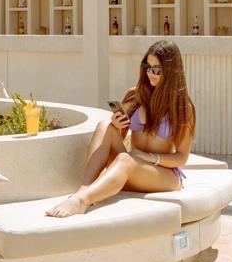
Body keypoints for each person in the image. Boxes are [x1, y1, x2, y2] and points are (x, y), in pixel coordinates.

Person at [46, 40, 195, 217]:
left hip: (162, 175)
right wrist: (118, 126)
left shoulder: (182, 108)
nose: (150, 74)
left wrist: (148, 157)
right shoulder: (135, 95)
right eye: (148, 67)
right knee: (105, 127)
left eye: (157, 70)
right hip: (132, 167)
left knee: (125, 160)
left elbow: (181, 157)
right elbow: (119, 135)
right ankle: (84, 190)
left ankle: (81, 201)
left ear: (170, 72)